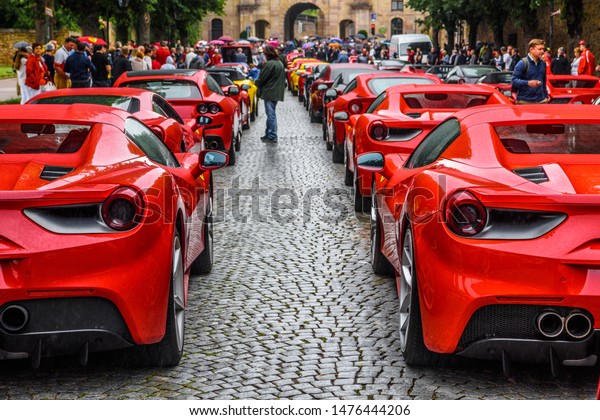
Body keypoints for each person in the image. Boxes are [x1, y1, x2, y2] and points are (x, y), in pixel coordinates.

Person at [255, 44, 286, 143]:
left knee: (271, 114)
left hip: (270, 92)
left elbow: (262, 78)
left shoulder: (270, 64)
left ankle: (272, 135)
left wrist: (257, 83)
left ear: (268, 53)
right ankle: (268, 133)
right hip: (276, 92)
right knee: (270, 113)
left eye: (265, 53)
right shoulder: (279, 63)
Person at [511, 39, 549, 104]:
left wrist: (546, 96)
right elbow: (514, 81)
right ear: (531, 49)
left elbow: (544, 80)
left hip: (542, 101)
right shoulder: (522, 63)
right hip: (525, 101)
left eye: (543, 49)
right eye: (539, 49)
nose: (542, 51)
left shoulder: (543, 63)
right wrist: (528, 83)